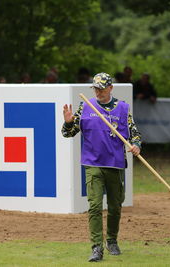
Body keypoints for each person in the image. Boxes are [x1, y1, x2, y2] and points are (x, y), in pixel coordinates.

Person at [61, 72, 142, 262]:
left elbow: (135, 133)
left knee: (115, 206)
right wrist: (68, 122)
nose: (98, 92)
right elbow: (69, 133)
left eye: (101, 88)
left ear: (110, 88)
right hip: (92, 163)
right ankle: (96, 247)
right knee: (95, 206)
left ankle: (112, 240)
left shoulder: (123, 108)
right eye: (95, 88)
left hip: (115, 164)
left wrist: (136, 145)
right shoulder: (86, 106)